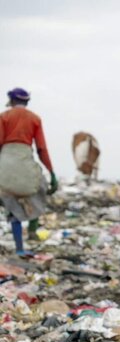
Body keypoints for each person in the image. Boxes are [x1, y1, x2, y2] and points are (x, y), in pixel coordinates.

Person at [0, 88, 58, 255]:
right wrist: (52, 173)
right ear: (27, 102)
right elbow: (41, 149)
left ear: (10, 101)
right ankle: (32, 230)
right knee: (39, 189)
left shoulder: (4, 117)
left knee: (10, 200)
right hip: (25, 159)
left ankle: (19, 248)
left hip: (5, 161)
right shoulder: (35, 119)